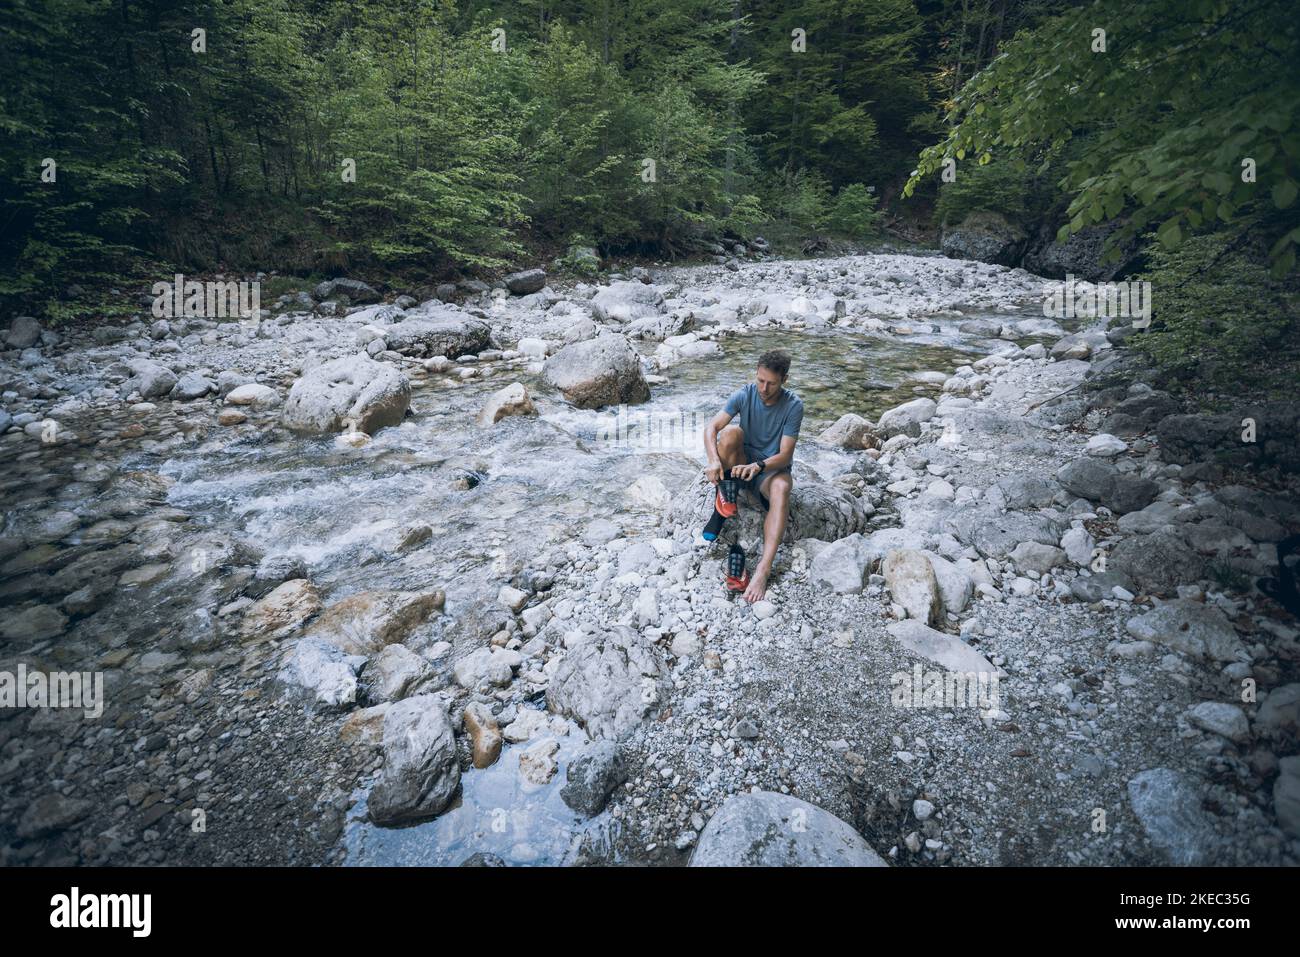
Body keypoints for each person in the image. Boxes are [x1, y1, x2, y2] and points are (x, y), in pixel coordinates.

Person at [701, 349, 803, 602]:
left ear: (784, 380)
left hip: (768, 470)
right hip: (739, 465)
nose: (764, 388)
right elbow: (711, 427)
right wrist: (714, 460)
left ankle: (762, 570)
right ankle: (723, 501)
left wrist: (758, 466)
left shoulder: (793, 406)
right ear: (756, 373)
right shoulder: (745, 394)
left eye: (771, 383)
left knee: (782, 488)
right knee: (731, 434)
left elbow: (785, 455)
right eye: (760, 380)